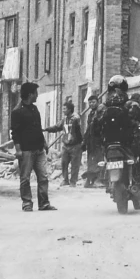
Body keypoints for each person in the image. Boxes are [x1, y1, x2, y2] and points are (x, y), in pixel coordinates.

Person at [87, 77, 140, 203]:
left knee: (105, 161)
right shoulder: (130, 105)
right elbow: (137, 122)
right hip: (125, 143)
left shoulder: (102, 107)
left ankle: (106, 180)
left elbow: (94, 127)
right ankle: (139, 181)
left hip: (108, 144)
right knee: (137, 159)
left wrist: (98, 140)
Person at [10, 82, 53, 211]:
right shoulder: (17, 111)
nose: (37, 95)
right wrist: (18, 150)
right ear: (30, 94)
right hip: (26, 150)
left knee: (43, 177)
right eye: (35, 93)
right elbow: (15, 133)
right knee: (25, 178)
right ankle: (27, 203)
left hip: (39, 149)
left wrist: (44, 143)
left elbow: (38, 129)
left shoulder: (34, 109)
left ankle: (44, 203)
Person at [60, 87, 88, 186]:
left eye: (64, 109)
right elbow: (58, 127)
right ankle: (65, 180)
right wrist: (47, 129)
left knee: (75, 164)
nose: (63, 110)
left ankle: (73, 181)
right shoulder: (64, 119)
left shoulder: (76, 119)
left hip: (75, 145)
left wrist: (82, 143)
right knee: (64, 162)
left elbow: (79, 132)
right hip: (65, 144)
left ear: (69, 110)